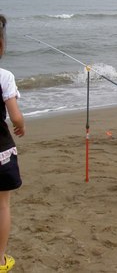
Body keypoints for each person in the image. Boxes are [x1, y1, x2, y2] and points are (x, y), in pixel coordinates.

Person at [0, 15, 26, 272]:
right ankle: (0, 259)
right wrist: (20, 125)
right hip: (1, 150)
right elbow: (15, 115)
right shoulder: (4, 76)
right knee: (2, 204)